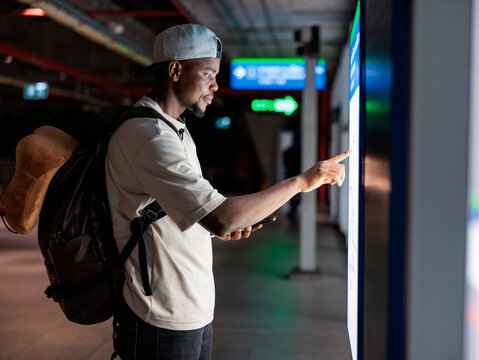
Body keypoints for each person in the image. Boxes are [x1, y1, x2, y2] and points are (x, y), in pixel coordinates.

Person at [106, 23, 350, 360]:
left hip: (189, 306)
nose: (216, 85)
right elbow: (222, 217)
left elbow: (196, 211)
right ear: (176, 70)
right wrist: (302, 182)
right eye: (208, 73)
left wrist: (214, 230)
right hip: (161, 314)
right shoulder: (150, 136)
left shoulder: (174, 130)